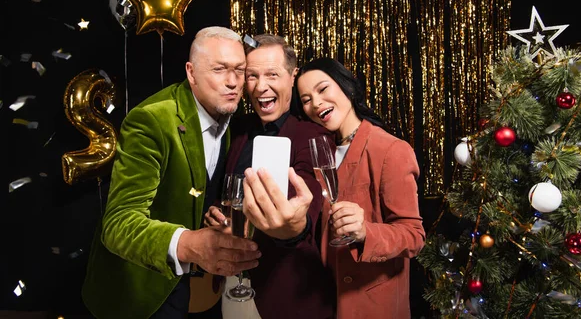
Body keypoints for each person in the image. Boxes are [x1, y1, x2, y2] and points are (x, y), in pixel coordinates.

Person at [82, 26, 262, 319]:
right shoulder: (151, 120)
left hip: (202, 291)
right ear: (191, 73)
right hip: (143, 291)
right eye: (219, 69)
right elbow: (117, 224)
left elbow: (197, 188)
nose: (232, 82)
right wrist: (190, 244)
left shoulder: (233, 121)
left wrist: (213, 211)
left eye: (239, 70)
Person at [205, 34, 335, 319]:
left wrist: (294, 226)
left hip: (287, 295)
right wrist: (216, 215)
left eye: (272, 74)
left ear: (292, 77)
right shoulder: (237, 131)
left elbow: (309, 214)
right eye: (251, 76)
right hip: (232, 287)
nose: (261, 87)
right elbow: (227, 196)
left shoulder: (314, 136)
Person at [294, 57, 426, 319]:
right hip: (325, 301)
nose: (316, 103)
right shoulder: (320, 151)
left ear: (348, 87)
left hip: (372, 306)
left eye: (322, 89)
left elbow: (414, 236)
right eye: (306, 99)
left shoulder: (390, 150)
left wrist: (366, 232)